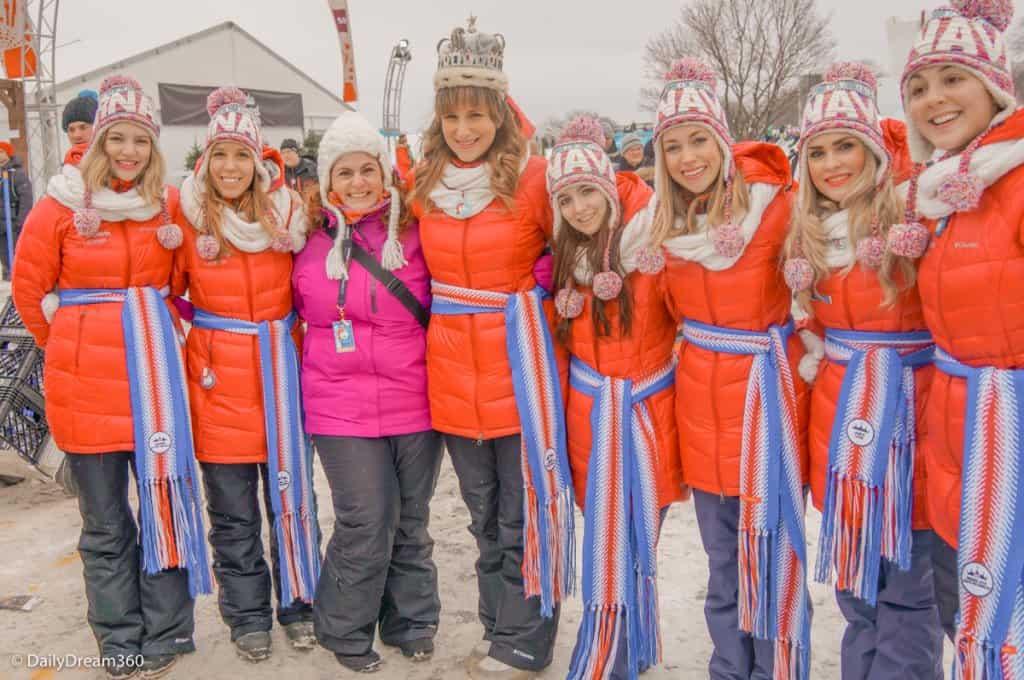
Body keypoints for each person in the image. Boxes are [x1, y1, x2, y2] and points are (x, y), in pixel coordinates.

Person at [11, 74, 210, 680]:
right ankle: (119, 637)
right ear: (97, 143)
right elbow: (28, 291)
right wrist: (69, 341)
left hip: (156, 387)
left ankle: (167, 632)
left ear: (153, 149)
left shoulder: (168, 208)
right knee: (104, 524)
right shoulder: (59, 206)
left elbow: (183, 287)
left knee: (165, 506)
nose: (128, 152)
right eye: (116, 139)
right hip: (85, 390)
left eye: (140, 142)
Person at [409, 16, 572, 680]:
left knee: (523, 515)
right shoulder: (423, 186)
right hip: (452, 374)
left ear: (500, 114)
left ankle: (528, 641)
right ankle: (498, 629)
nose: (465, 129)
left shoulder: (533, 180)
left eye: (477, 114)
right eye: (453, 116)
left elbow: (590, 234)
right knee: (482, 522)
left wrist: (551, 279)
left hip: (520, 365)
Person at [650, 58, 811, 680]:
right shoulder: (666, 227)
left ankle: (775, 668)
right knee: (722, 562)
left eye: (697, 139)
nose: (688, 158)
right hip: (698, 406)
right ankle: (729, 667)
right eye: (672, 146)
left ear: (720, 138)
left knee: (769, 556)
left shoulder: (779, 208)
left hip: (765, 402)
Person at [783, 62, 942, 680]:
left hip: (912, 423)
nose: (831, 163)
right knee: (856, 588)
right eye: (817, 151)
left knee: (908, 588)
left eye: (845, 145)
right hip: (842, 422)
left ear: (874, 148)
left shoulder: (915, 217)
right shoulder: (807, 236)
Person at [172, 87, 318, 663]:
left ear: (258, 164)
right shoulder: (184, 221)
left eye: (241, 156)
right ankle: (248, 616)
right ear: (206, 161)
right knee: (232, 516)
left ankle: (299, 603)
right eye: (221, 156)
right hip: (219, 385)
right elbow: (164, 292)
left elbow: (311, 288)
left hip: (281, 379)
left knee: (293, 500)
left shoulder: (289, 217)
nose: (230, 168)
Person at [899, 0, 1024, 673]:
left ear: (995, 86)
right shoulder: (943, 194)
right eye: (918, 86)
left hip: (1009, 443)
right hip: (961, 439)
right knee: (969, 617)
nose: (933, 100)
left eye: (953, 79)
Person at [293, 110, 442, 673]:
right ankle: (344, 626)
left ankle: (412, 619)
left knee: (411, 519)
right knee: (364, 518)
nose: (357, 183)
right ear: (327, 182)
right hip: (338, 405)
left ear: (385, 174)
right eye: (345, 173)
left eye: (367, 171)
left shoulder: (418, 233)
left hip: (414, 399)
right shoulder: (303, 241)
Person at [547, 115, 684, 680]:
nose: (580, 208)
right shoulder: (563, 263)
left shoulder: (651, 247)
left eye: (588, 192)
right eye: (568, 198)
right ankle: (614, 640)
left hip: (647, 413)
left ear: (609, 187)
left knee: (638, 536)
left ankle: (619, 649)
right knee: (603, 535)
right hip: (590, 418)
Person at [0, 140, 33, 280]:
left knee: (15, 255)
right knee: (4, 255)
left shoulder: (16, 173)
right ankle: (9, 277)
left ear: (8, 153)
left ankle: (18, 281)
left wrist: (20, 221)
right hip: (1, 225)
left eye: (1, 152)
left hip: (12, 223)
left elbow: (26, 199)